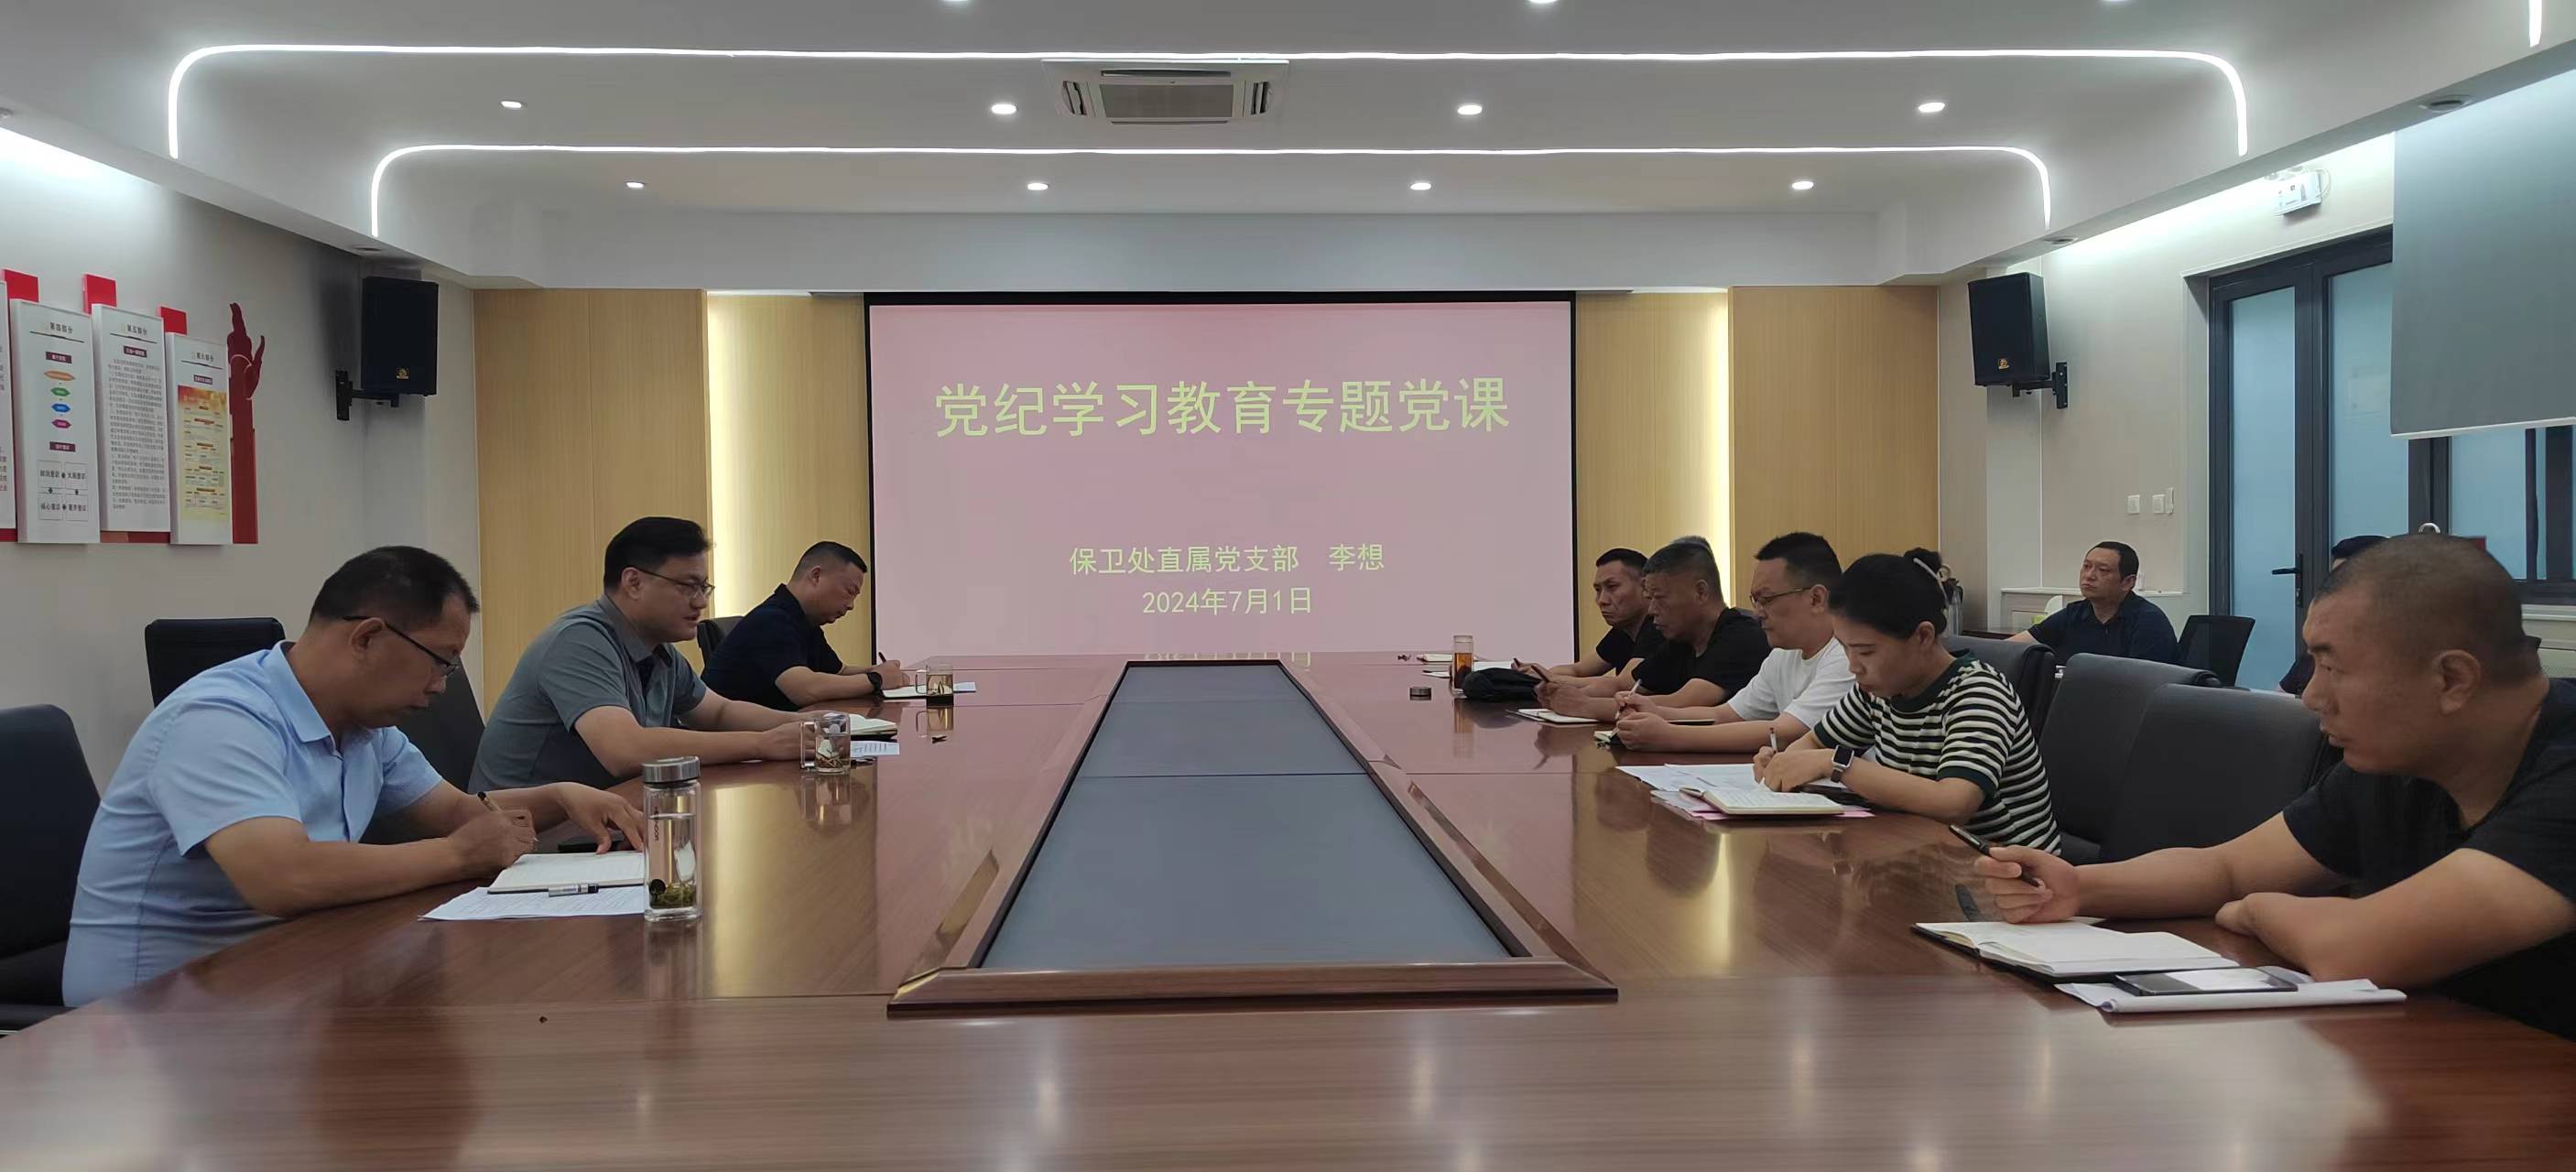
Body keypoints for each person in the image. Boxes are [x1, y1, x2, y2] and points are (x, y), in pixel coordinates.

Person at [1976, 535, 2576, 1038]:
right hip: (2444, 1063)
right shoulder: (2403, 760)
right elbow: (2227, 868)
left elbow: (2355, 947)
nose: (2311, 696)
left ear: (2451, 680)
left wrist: (2259, 909)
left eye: (2332, 667)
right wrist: (2077, 887)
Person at [61, 548, 646, 1005]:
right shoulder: (220, 718)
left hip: (289, 968)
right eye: (440, 661)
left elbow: (458, 813)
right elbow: (283, 877)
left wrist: (560, 796)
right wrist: (457, 856)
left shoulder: (363, 727)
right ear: (366, 637)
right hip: (157, 1006)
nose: (441, 685)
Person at [469, 516, 810, 793]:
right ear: (633, 583)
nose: (701, 602)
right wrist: (762, 744)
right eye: (688, 586)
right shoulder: (578, 640)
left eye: (703, 587)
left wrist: (808, 725)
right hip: (531, 836)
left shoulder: (659, 649)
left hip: (607, 813)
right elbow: (625, 750)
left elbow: (718, 712)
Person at [1757, 549, 2061, 851]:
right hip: (1922, 854)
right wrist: (1785, 763)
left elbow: (1954, 804)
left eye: (1865, 651)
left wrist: (1835, 764)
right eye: (1845, 648)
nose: (1853, 666)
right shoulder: (1877, 692)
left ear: (1923, 637)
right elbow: (1812, 744)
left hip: (2007, 868)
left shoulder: (1979, 693)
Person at [1612, 532, 1855, 754]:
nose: (1757, 613)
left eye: (1767, 599)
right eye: (1755, 600)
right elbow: (1726, 714)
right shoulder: (1783, 654)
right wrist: (1657, 712)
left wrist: (1670, 736)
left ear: (1816, 599)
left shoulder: (1849, 656)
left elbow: (1784, 734)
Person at [1535, 537, 1767, 722]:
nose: (1652, 610)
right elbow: (1626, 685)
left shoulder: (1741, 636)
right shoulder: (1681, 641)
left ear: (1700, 592)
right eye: (1650, 599)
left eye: (1659, 598)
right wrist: (1563, 694)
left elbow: (1683, 703)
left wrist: (1585, 706)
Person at [702, 541, 903, 711]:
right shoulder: (771, 620)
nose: (851, 605)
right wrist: (876, 679)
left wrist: (878, 670)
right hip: (732, 738)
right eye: (849, 592)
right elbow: (805, 690)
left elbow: (838, 672)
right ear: (816, 576)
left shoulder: (803, 619)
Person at [2010, 540, 2179, 664]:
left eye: (2103, 570)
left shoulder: (2149, 621)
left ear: (2127, 582)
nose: (2089, 575)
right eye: (2086, 566)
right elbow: (2010, 649)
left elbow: (2143, 682)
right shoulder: (2074, 613)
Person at [1529, 548, 1663, 681]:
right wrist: (1537, 674)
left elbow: (1623, 684)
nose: (1601, 600)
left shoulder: (1660, 627)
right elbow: (1578, 670)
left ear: (1645, 586)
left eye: (1612, 587)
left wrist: (1550, 679)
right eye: (1598, 590)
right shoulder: (1624, 630)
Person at [2280, 534, 2389, 695]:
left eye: (2349, 582)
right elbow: (2280, 698)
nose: (2337, 592)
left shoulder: (2392, 657)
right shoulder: (2320, 645)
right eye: (2334, 582)